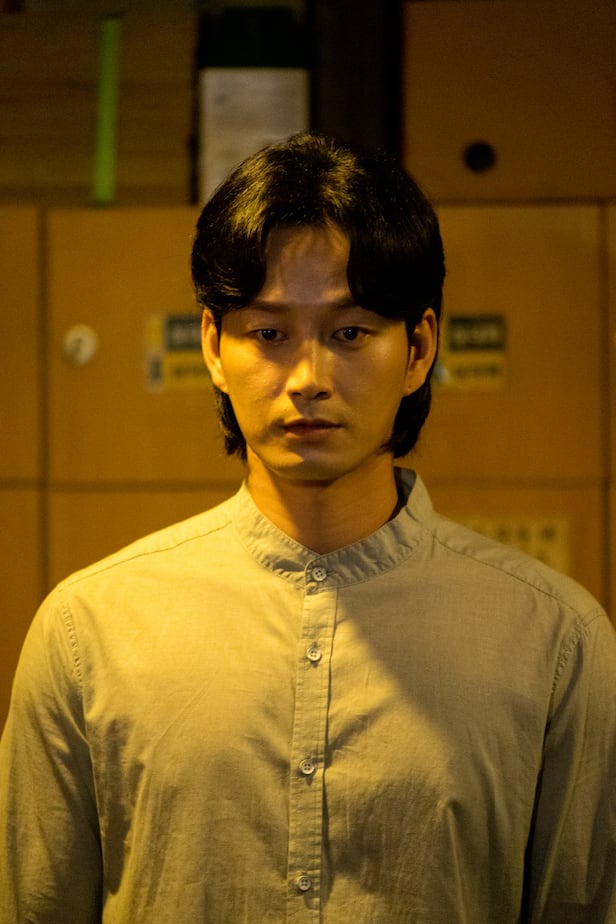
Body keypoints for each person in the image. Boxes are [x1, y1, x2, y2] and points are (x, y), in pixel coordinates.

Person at [1, 132, 615, 924]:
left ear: (419, 349)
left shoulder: (554, 641)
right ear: (213, 347)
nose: (308, 379)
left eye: (350, 333)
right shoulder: (89, 632)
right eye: (269, 333)